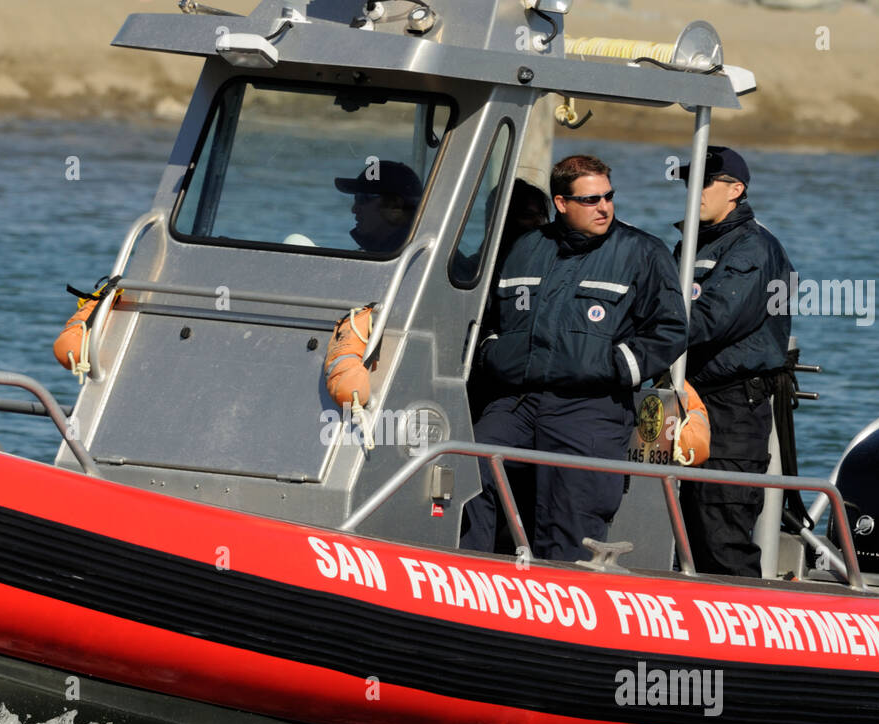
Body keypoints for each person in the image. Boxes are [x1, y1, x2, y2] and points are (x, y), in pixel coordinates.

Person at [461, 154, 687, 562]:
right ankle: (470, 578)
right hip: (518, 402)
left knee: (571, 516)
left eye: (608, 197)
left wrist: (614, 367)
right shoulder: (525, 248)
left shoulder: (643, 252)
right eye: (590, 200)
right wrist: (495, 354)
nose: (604, 207)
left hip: (590, 407)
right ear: (562, 203)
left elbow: (669, 331)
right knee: (469, 469)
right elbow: (491, 318)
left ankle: (564, 596)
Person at [673, 146, 793, 577]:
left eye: (705, 182)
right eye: (690, 181)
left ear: (735, 190)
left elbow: (710, 318)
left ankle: (749, 631)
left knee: (720, 534)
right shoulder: (693, 244)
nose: (694, 190)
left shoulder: (753, 249)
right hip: (687, 402)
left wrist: (640, 333)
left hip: (732, 411)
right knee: (677, 528)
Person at [334, 160, 423, 253]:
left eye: (362, 198)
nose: (354, 209)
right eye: (356, 197)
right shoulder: (390, 256)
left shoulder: (409, 260)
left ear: (395, 207)